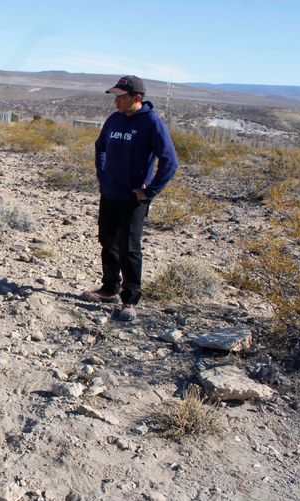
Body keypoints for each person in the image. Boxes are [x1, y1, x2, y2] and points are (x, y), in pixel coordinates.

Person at [83, 75, 178, 321]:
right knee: (107, 240)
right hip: (110, 194)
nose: (116, 102)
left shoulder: (152, 123)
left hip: (133, 200)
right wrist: (102, 176)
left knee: (130, 248)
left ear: (136, 98)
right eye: (115, 97)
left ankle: (130, 299)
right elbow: (100, 147)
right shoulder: (114, 120)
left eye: (120, 97)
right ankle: (109, 288)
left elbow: (169, 161)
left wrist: (149, 191)